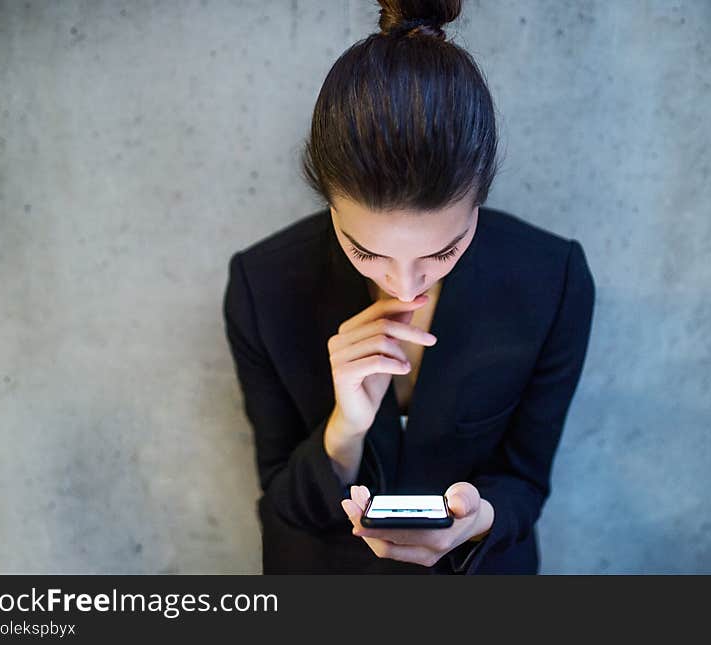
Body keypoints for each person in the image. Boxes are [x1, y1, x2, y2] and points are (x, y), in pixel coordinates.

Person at [222, 0, 596, 574]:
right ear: (329, 203)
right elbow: (281, 500)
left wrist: (481, 521)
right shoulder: (263, 285)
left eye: (442, 251)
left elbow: (526, 481)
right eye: (365, 251)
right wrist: (344, 430)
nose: (403, 284)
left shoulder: (552, 281)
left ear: (480, 200)